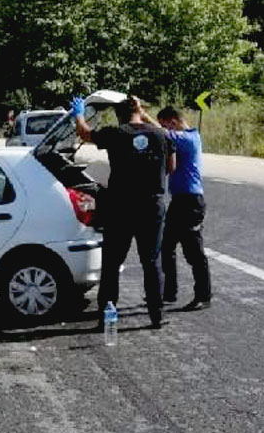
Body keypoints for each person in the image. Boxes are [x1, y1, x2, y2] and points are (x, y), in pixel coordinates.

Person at [71, 95, 175, 330]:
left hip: (121, 207)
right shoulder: (160, 135)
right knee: (151, 261)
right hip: (152, 206)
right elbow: (171, 167)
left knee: (111, 264)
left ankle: (106, 318)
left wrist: (78, 112)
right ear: (138, 109)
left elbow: (85, 133)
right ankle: (156, 316)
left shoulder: (117, 133)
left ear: (118, 116)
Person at [157, 106, 212, 310]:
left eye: (164, 124)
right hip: (179, 201)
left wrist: (141, 115)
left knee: (194, 252)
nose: (163, 128)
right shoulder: (181, 139)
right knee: (166, 246)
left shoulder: (189, 139)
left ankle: (204, 296)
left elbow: (162, 134)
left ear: (173, 122)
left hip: (191, 202)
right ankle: (169, 292)